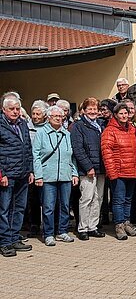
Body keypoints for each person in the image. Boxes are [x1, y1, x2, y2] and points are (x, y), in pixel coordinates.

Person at [32, 105, 78, 246]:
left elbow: (72, 156)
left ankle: (62, 231)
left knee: (65, 205)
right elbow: (36, 155)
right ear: (48, 118)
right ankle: (48, 233)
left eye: (60, 116)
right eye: (55, 116)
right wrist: (38, 175)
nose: (58, 118)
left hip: (65, 174)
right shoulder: (41, 133)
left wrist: (74, 173)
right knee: (48, 207)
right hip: (47, 175)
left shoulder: (67, 134)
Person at [0, 96, 35, 257]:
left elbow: (28, 148)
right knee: (4, 209)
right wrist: (2, 173)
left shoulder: (22, 124)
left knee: (19, 208)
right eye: (11, 109)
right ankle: (4, 242)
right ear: (3, 109)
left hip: (22, 173)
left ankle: (14, 238)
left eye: (17, 108)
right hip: (7, 174)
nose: (15, 111)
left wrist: (30, 170)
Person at [101, 103, 136, 240]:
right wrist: (112, 172)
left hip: (132, 170)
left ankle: (126, 222)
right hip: (118, 171)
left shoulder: (132, 129)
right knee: (118, 200)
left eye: (126, 113)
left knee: (128, 200)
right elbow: (107, 153)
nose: (124, 116)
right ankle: (119, 226)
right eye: (121, 113)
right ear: (115, 115)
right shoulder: (109, 131)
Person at [71, 98, 106, 241]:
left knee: (98, 198)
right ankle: (83, 228)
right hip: (88, 170)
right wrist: (88, 167)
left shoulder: (100, 125)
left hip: (101, 169)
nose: (93, 111)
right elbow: (78, 149)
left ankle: (93, 226)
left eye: (95, 109)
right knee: (86, 198)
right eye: (89, 109)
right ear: (84, 111)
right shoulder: (79, 126)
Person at [26, 100, 49, 238]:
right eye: (33, 113)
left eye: (38, 114)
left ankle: (48, 227)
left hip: (46, 168)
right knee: (33, 199)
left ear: (44, 115)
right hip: (32, 169)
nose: (35, 116)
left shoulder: (48, 128)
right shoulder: (26, 127)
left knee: (47, 200)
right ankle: (34, 225)